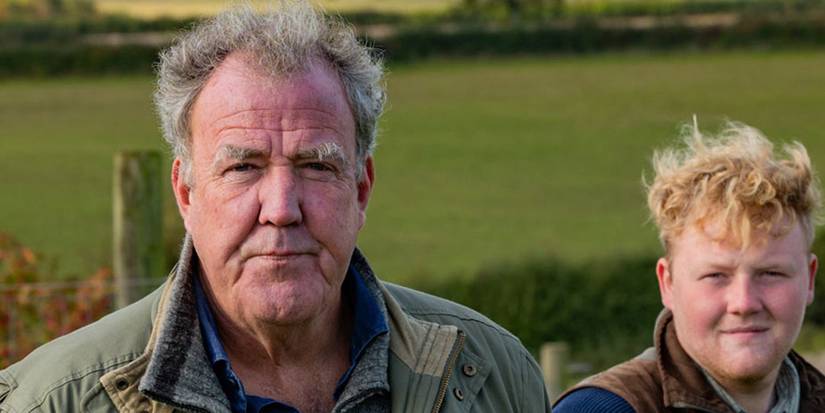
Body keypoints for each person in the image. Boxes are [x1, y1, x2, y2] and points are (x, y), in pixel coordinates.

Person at [0, 3, 550, 412]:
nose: (282, 208)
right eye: (243, 168)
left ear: (361, 189)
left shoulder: (492, 375)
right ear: (186, 193)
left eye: (317, 165)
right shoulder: (51, 400)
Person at [554, 121, 825, 412]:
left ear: (809, 279)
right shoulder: (600, 409)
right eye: (716, 276)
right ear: (667, 283)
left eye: (771, 273)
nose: (744, 303)